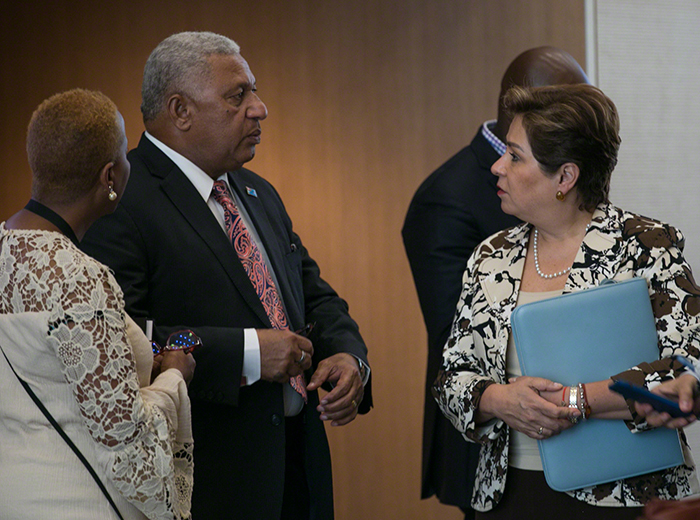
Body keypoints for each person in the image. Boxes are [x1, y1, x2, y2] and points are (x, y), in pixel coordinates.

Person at [81, 31, 372, 519]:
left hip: (298, 473)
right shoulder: (121, 204)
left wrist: (349, 356)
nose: (259, 109)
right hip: (213, 484)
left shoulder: (256, 192)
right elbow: (126, 342)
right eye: (239, 96)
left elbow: (314, 296)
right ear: (180, 111)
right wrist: (249, 352)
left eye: (254, 91)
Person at [433, 83, 700, 519]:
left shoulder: (646, 246)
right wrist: (496, 400)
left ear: (565, 177)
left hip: (627, 497)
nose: (497, 167)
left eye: (515, 156)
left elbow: (690, 368)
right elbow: (450, 378)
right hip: (508, 497)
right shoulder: (491, 256)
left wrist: (575, 401)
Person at [401, 46, 588, 516]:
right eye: (567, 105)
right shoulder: (447, 198)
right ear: (517, 106)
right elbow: (455, 342)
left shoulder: (573, 176)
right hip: (492, 447)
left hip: (583, 438)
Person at [0, 89, 195, 519]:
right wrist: (173, 380)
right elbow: (129, 453)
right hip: (80, 501)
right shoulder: (79, 277)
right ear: (110, 176)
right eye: (125, 154)